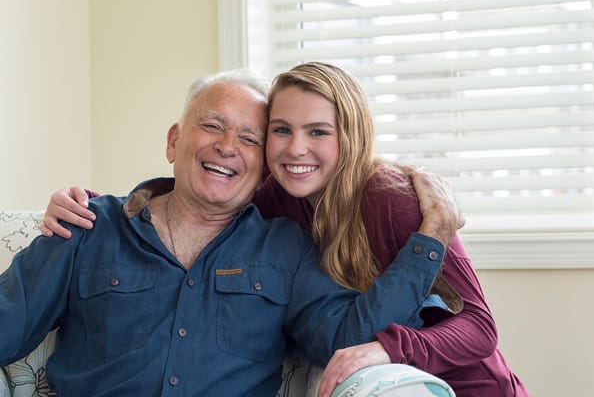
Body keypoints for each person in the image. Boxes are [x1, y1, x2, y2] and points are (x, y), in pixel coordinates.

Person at [43, 62, 530, 397]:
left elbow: (480, 330)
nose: (296, 149)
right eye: (280, 130)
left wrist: (435, 235)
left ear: (350, 137)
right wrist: (88, 208)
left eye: (318, 131)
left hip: (463, 383)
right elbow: (196, 191)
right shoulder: (268, 199)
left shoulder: (394, 199)